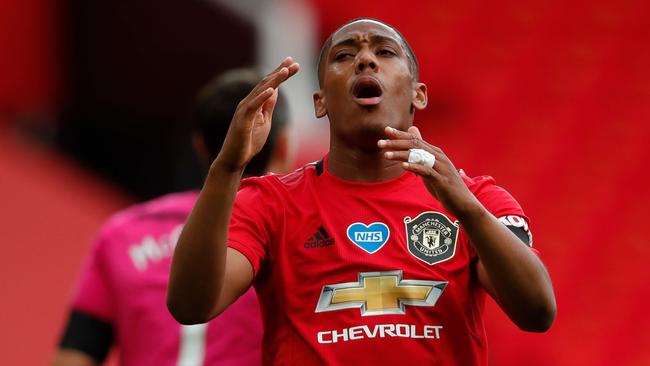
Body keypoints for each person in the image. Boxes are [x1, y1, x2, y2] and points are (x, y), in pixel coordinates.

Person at [167, 18, 556, 365]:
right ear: (319, 103)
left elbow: (537, 311)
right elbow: (191, 304)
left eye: (384, 52)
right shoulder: (271, 203)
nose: (365, 61)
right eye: (344, 55)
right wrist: (227, 168)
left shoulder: (479, 199)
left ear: (418, 94)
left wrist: (467, 210)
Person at [52, 68, 291, 366]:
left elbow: (74, 355)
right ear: (283, 145)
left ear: (200, 146)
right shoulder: (294, 232)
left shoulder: (123, 232)